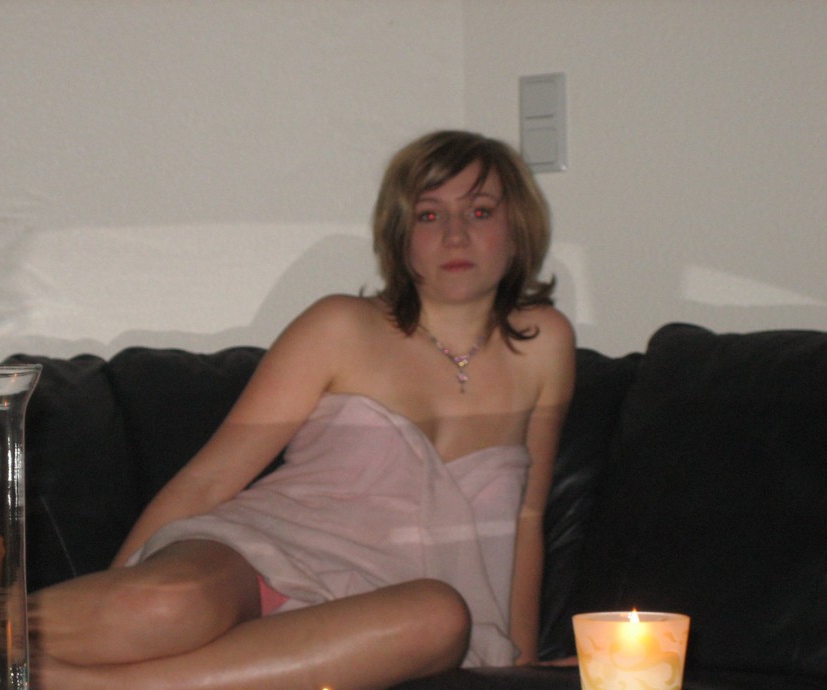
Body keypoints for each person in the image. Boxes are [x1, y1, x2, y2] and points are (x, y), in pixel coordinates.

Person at [32, 130, 576, 690]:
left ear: (517, 230)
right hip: (261, 554)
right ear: (402, 237)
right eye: (430, 215)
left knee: (440, 616)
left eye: (480, 212)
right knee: (170, 605)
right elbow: (210, 477)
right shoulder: (340, 326)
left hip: (388, 617)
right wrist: (120, 592)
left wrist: (522, 664)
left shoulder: (544, 344)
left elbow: (526, 517)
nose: (455, 235)